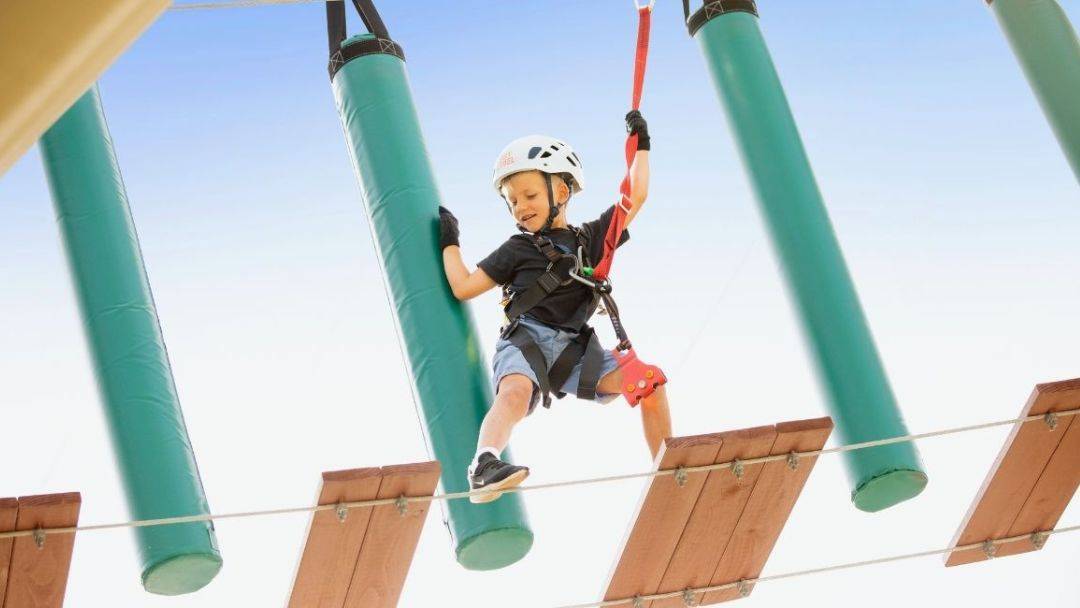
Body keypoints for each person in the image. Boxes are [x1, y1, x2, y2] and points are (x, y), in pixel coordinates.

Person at [439, 111, 671, 503]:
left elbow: (638, 194)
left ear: (561, 192)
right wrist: (450, 240)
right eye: (512, 202)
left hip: (574, 353)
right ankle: (484, 463)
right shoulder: (518, 249)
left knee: (649, 382)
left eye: (529, 196)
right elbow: (463, 286)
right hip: (525, 341)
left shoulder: (593, 238)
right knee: (513, 394)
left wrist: (640, 144)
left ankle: (667, 469)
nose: (520, 208)